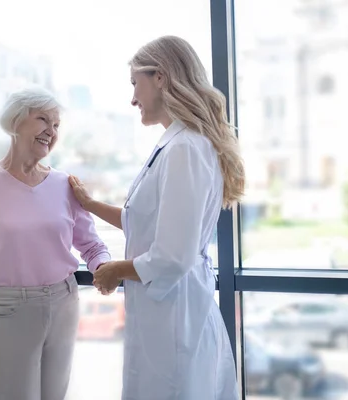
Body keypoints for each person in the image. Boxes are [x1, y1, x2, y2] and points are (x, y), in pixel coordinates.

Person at [69, 35, 245, 399]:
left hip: (175, 318)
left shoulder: (184, 149)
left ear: (160, 77)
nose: (133, 98)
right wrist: (89, 204)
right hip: (167, 315)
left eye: (135, 83)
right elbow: (147, 222)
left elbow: (171, 256)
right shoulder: (177, 143)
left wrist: (114, 270)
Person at [0, 86, 111, 400]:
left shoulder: (65, 184)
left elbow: (91, 245)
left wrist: (106, 269)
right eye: (43, 120)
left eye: (56, 126)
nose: (51, 132)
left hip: (64, 301)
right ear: (16, 121)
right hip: (8, 308)